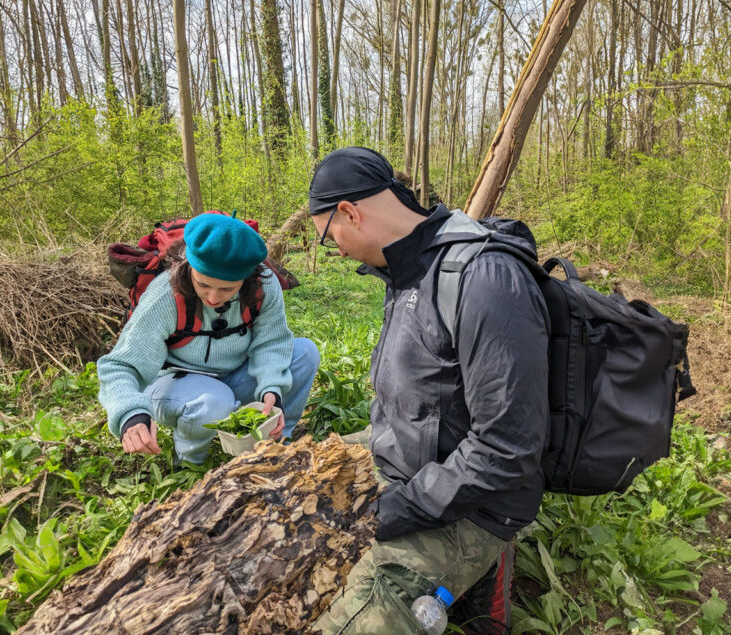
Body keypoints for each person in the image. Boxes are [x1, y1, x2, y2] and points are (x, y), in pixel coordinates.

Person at [308, 147, 550, 633]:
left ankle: (486, 566)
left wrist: (387, 513)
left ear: (350, 212)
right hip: (411, 476)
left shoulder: (483, 278)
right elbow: (418, 404)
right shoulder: (405, 271)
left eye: (326, 235)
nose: (331, 248)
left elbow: (507, 448)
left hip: (475, 507)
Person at [98, 212, 320, 463]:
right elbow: (120, 365)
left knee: (304, 353)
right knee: (214, 401)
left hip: (232, 376)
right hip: (175, 384)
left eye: (227, 289)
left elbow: (272, 342)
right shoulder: (166, 294)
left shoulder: (264, 286)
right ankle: (190, 465)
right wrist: (131, 414)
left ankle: (278, 446)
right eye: (203, 285)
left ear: (246, 279)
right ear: (189, 268)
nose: (213, 298)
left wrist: (273, 390)